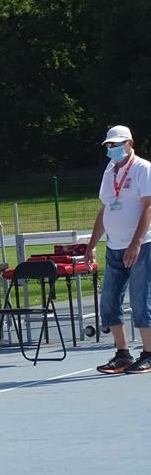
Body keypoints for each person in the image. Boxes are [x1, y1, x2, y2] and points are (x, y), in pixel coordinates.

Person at [84, 125, 151, 374]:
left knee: (141, 300)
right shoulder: (110, 170)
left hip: (142, 246)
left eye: (117, 144)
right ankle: (122, 353)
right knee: (109, 302)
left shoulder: (143, 168)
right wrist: (91, 245)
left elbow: (149, 207)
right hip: (114, 246)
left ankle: (149, 353)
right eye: (109, 145)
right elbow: (105, 209)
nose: (112, 148)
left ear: (130, 143)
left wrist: (136, 243)